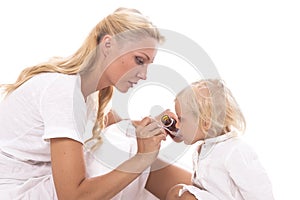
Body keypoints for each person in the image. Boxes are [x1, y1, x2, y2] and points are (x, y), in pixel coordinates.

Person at [0, 7, 170, 199]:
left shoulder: (88, 96)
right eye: (139, 60)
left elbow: (124, 126)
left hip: (32, 182)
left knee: (124, 141)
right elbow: (73, 196)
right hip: (15, 192)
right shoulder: (63, 91)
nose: (144, 74)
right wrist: (142, 158)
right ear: (108, 45)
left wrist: (160, 124)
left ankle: (198, 191)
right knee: (125, 149)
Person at [165, 79, 274, 200]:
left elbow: (261, 194)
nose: (178, 126)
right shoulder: (206, 148)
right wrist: (166, 124)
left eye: (181, 120)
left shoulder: (235, 150)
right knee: (177, 192)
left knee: (184, 196)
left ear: (206, 123)